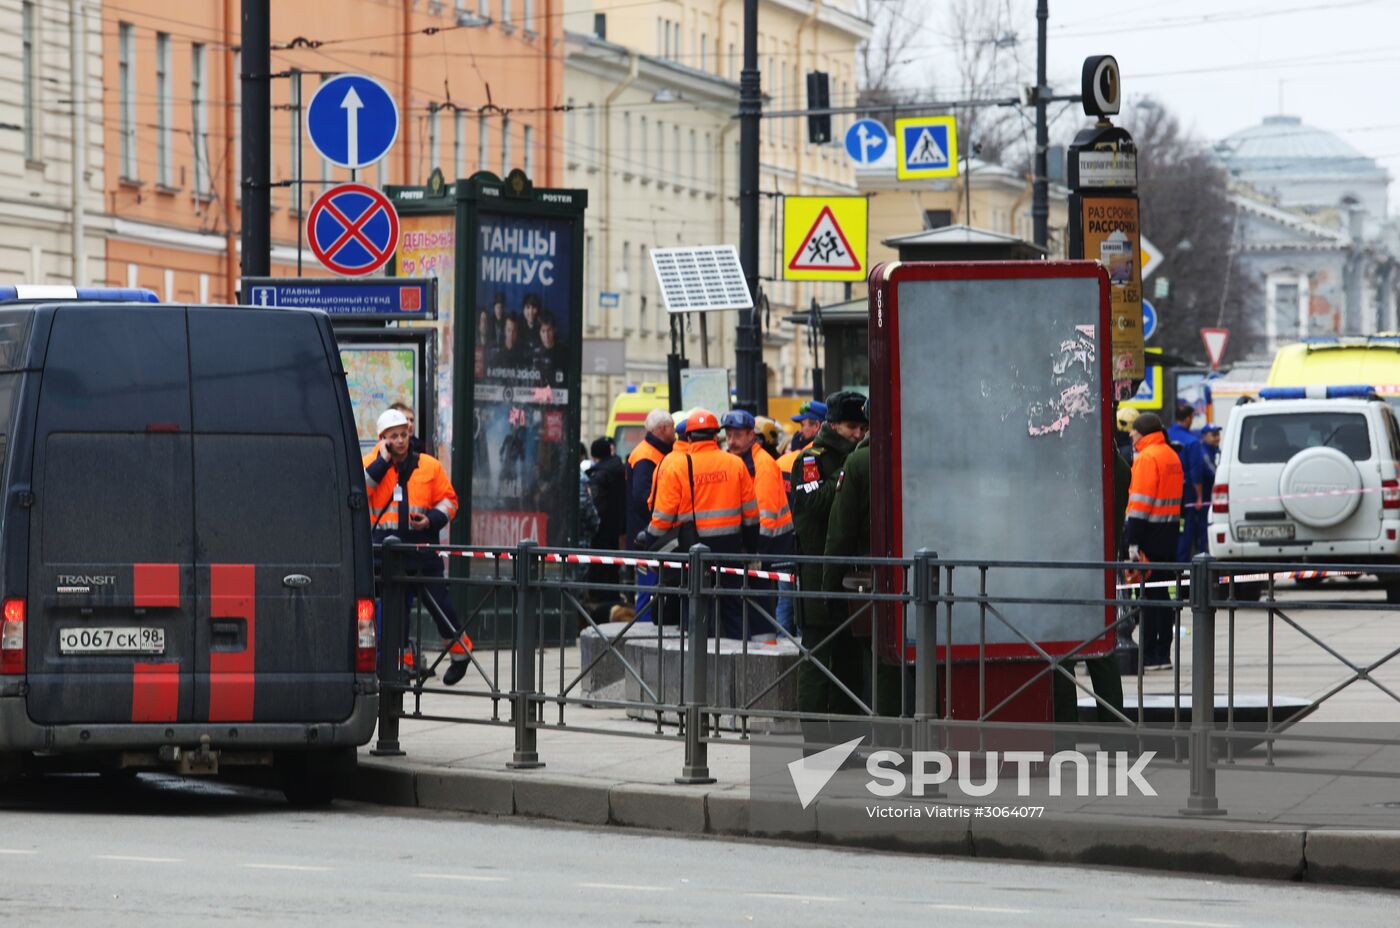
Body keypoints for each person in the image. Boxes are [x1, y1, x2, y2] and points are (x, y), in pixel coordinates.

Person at [364, 408, 472, 686]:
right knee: (394, 616)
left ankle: (461, 654)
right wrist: (381, 464)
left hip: (422, 551)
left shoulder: (429, 465)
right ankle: (398, 669)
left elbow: (450, 501)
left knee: (440, 606)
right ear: (383, 438)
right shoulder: (370, 463)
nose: (400, 440)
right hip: (386, 557)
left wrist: (431, 519)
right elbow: (359, 493)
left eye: (404, 434)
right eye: (394, 436)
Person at [639, 409, 759, 639]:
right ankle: (738, 664)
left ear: (689, 438)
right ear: (716, 436)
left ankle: (695, 667)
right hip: (730, 548)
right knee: (733, 607)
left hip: (693, 550)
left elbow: (662, 517)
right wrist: (751, 549)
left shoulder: (678, 467)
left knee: (693, 608)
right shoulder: (735, 464)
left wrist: (651, 543)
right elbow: (751, 515)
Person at [792, 392, 869, 728]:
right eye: (852, 426)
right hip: (816, 573)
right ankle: (815, 742)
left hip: (851, 574)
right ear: (833, 424)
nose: (858, 433)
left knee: (849, 664)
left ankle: (846, 742)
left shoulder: (858, 458)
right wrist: (847, 473)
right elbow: (817, 503)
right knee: (818, 663)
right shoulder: (810, 460)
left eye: (862, 427)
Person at [821, 403, 902, 718]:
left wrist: (829, 587)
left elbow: (840, 532)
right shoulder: (920, 452)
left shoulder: (859, 462)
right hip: (929, 577)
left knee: (882, 661)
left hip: (874, 577)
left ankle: (890, 742)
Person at [723, 409, 795, 637]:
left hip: (771, 547)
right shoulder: (739, 461)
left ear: (751, 435)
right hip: (759, 546)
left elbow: (764, 514)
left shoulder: (761, 464)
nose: (731, 441)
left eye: (737, 436)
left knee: (762, 606)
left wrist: (755, 554)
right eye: (729, 435)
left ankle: (767, 649)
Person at [1125, 411, 1185, 671]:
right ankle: (1163, 652)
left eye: (1134, 430)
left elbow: (1139, 504)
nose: (1130, 433)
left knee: (1148, 596)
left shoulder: (1147, 458)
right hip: (1169, 532)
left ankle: (1149, 654)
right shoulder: (1170, 454)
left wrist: (1132, 541)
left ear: (1144, 432)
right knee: (1163, 594)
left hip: (1148, 534)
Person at [627, 409, 676, 619]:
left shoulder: (652, 452)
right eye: (672, 427)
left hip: (649, 534)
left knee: (651, 591)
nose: (674, 432)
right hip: (646, 537)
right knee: (647, 593)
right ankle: (641, 633)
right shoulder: (647, 456)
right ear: (663, 429)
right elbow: (642, 497)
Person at [586, 436, 628, 589]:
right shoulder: (619, 469)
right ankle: (611, 596)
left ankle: (599, 599)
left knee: (599, 565)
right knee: (612, 565)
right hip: (618, 527)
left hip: (602, 528)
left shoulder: (599, 475)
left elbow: (596, 504)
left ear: (595, 456)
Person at [1168, 404, 1205, 560]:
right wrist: (1199, 497)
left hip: (1166, 490)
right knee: (1184, 529)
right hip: (1186, 492)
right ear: (1188, 418)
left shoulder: (1166, 436)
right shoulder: (1192, 442)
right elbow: (1196, 472)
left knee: (1169, 527)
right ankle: (1180, 570)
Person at [1197, 424, 1223, 555]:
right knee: (1204, 527)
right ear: (1204, 436)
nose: (1217, 438)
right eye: (1214, 435)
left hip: (1216, 496)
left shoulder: (1217, 450)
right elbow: (1212, 472)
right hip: (1206, 496)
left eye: (1218, 434)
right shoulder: (1203, 451)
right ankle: (1204, 555)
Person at [532, 309, 567, 388]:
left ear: (554, 330)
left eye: (549, 330)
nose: (546, 335)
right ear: (539, 332)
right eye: (543, 331)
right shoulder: (534, 353)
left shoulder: (563, 351)